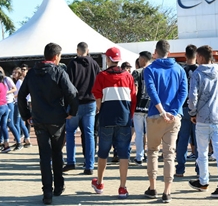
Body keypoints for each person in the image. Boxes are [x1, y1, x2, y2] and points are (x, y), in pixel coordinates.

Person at [18, 43, 78, 205]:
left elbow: (21, 96)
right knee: (57, 153)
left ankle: (47, 192)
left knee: (44, 156)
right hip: (57, 119)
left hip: (39, 119)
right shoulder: (59, 71)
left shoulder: (32, 73)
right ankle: (58, 185)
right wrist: (72, 111)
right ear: (56, 56)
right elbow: (72, 92)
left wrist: (26, 115)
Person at [143, 39, 188, 203]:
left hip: (155, 115)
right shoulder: (179, 70)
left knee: (152, 152)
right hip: (174, 117)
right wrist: (173, 112)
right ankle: (167, 191)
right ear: (169, 51)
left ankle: (152, 187)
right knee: (169, 154)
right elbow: (183, 93)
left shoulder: (149, 70)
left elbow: (151, 91)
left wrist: (162, 111)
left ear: (156, 51)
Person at [90, 47, 136, 199]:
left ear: (108, 59)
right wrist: (130, 116)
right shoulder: (128, 76)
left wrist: (100, 109)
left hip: (106, 118)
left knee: (103, 152)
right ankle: (122, 187)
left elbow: (97, 95)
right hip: (124, 118)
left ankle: (100, 183)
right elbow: (133, 98)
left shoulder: (101, 76)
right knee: (124, 154)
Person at [187, 45, 218, 198]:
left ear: (200, 57)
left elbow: (193, 96)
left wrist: (192, 112)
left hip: (202, 118)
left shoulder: (197, 74)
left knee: (202, 152)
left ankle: (203, 181)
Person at [64, 42, 100, 174]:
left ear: (77, 51)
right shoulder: (95, 64)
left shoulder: (72, 64)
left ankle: (71, 161)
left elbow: (68, 85)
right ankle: (90, 165)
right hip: (90, 102)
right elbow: (98, 83)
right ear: (88, 50)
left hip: (76, 102)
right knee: (89, 133)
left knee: (70, 131)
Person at [175, 44, 198, 177]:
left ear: (185, 55)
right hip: (196, 109)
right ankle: (199, 169)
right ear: (196, 56)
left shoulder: (180, 70)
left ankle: (180, 168)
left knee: (182, 139)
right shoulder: (200, 70)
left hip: (182, 107)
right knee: (198, 140)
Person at [132, 51, 153, 167]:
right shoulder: (154, 71)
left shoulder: (137, 72)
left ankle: (139, 157)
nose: (138, 61)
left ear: (143, 59)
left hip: (138, 106)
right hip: (151, 107)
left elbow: (134, 90)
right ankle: (151, 156)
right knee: (151, 133)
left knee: (139, 133)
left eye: (140, 59)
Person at [12, 67, 32, 148]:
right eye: (13, 72)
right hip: (17, 102)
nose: (13, 74)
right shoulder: (17, 82)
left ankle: (19, 140)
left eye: (15, 73)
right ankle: (27, 139)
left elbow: (21, 93)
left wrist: (13, 95)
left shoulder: (19, 82)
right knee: (20, 123)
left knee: (17, 123)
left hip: (18, 103)